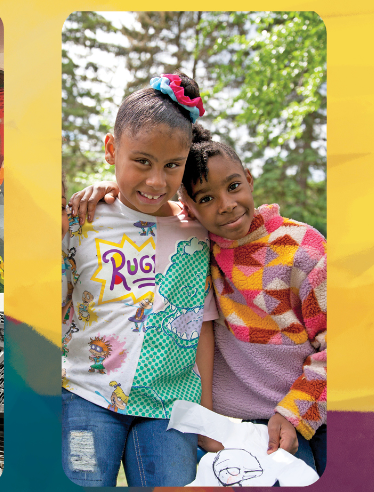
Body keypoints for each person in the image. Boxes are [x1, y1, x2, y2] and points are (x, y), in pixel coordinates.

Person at [69, 135, 329, 476]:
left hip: (303, 409)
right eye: (206, 198)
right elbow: (151, 214)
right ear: (189, 207)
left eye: (234, 186)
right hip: (229, 423)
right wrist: (110, 190)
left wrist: (294, 413)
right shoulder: (198, 243)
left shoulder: (304, 249)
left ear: (249, 180)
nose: (226, 204)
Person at [61, 72, 213, 487]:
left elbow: (202, 327)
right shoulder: (82, 219)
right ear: (112, 149)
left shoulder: (199, 232)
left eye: (172, 166)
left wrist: (207, 414)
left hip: (170, 405)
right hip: (85, 395)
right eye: (141, 161)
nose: (156, 181)